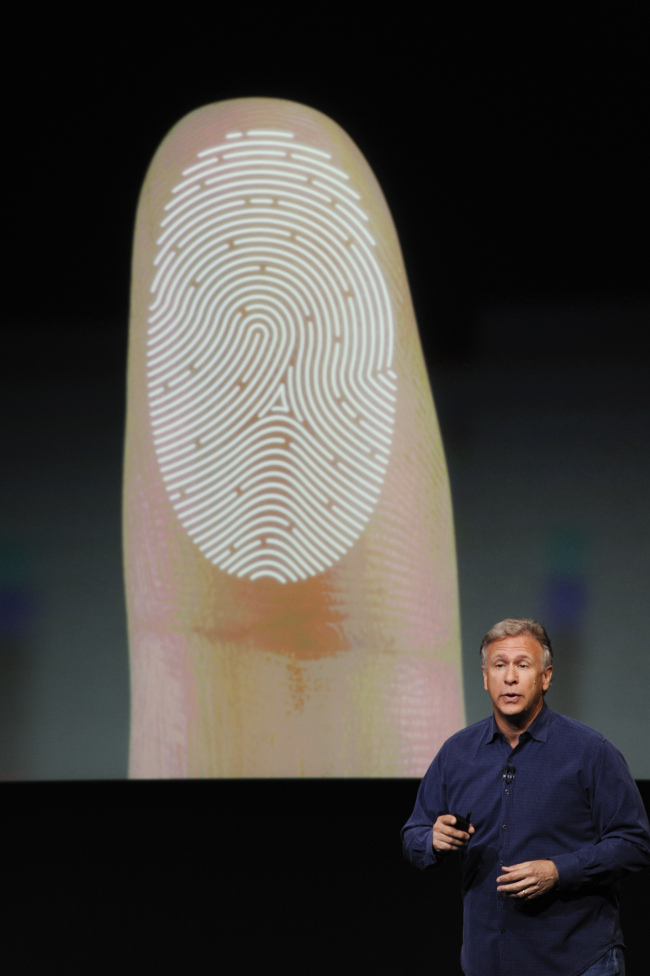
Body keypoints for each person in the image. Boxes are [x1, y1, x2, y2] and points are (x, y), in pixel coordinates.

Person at [402, 618, 650, 976]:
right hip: (488, 961)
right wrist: (432, 840)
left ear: (545, 677)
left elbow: (635, 842)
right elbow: (414, 835)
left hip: (577, 960)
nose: (510, 677)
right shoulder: (456, 753)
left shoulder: (591, 752)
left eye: (522, 665)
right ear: (485, 677)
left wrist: (558, 871)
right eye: (499, 665)